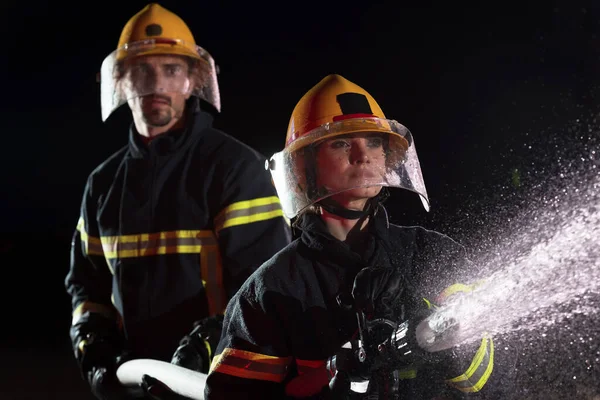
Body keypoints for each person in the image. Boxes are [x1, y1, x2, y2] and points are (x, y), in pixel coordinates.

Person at [203, 74, 498, 399]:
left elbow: (486, 379)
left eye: (373, 141)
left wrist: (423, 317)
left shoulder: (432, 253)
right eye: (341, 143)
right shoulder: (270, 292)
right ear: (303, 167)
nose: (363, 155)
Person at [65, 3, 291, 399]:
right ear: (122, 81)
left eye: (171, 70)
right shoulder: (102, 185)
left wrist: (209, 343)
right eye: (142, 70)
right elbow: (88, 288)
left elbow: (266, 289)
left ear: (192, 81)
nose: (157, 84)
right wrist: (94, 348)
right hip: (133, 383)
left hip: (215, 381)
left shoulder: (236, 168)